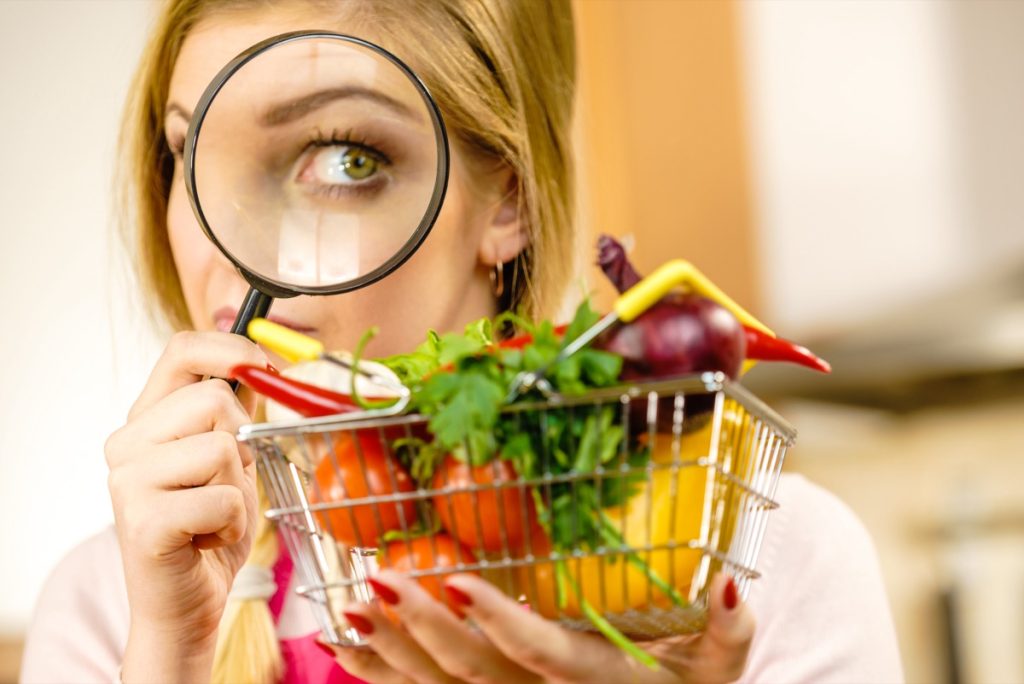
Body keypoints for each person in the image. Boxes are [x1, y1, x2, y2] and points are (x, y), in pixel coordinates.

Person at [20, 1, 904, 683]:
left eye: (345, 159)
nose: (232, 253)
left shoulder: (748, 566)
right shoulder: (113, 611)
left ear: (508, 199)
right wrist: (168, 658)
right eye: (192, 157)